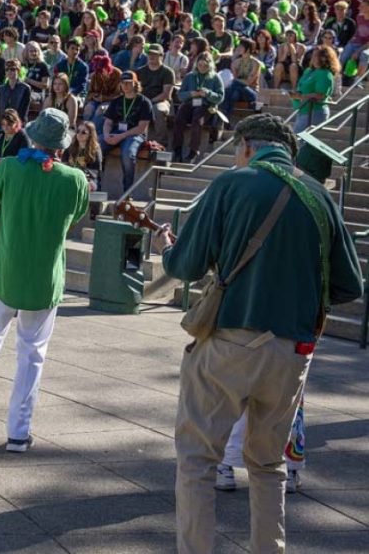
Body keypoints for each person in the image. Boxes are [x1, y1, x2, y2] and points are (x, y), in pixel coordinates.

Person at [154, 114, 361, 553]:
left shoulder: (233, 184)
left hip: (230, 339)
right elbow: (349, 286)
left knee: (197, 461)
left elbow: (184, 266)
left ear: (246, 145)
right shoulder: (321, 197)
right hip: (292, 351)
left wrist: (168, 250)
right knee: (269, 466)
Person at [0, 108, 89, 451]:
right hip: (44, 279)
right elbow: (77, 216)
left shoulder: (9, 167)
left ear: (33, 136)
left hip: (4, 272)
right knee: (32, 356)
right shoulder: (75, 179)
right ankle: (18, 433)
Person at [101, 71, 153, 192]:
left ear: (135, 84)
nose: (125, 86)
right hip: (116, 132)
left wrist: (121, 136)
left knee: (128, 154)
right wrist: (106, 134)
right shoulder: (117, 101)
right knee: (95, 146)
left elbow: (141, 128)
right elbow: (108, 122)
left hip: (135, 135)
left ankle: (127, 191)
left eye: (128, 83)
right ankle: (95, 183)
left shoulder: (145, 102)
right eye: (123, 83)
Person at [172, 53, 224, 163]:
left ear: (209, 66)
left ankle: (193, 150)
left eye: (205, 66)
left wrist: (208, 94)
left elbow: (220, 97)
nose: (202, 68)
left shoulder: (215, 78)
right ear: (197, 65)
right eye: (200, 65)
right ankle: (177, 150)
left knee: (197, 120)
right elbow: (180, 95)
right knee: (178, 119)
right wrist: (190, 94)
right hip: (190, 103)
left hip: (206, 105)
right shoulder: (190, 76)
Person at [292, 45, 338, 133]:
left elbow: (320, 95)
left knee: (298, 141)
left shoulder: (325, 74)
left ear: (325, 58)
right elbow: (301, 86)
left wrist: (301, 96)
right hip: (303, 110)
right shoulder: (309, 71)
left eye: (317, 56)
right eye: (313, 55)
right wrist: (296, 93)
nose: (313, 58)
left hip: (314, 112)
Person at [137, 43, 176, 143]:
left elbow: (166, 94)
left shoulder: (168, 72)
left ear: (161, 56)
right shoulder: (140, 71)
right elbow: (136, 90)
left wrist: (149, 102)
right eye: (149, 54)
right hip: (143, 100)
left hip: (161, 101)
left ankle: (161, 141)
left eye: (155, 54)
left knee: (157, 110)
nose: (151, 56)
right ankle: (136, 140)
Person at [63, 121, 103, 191]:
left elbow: (95, 173)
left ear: (90, 135)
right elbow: (64, 165)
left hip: (88, 179)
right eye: (78, 131)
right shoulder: (70, 147)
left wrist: (81, 167)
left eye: (83, 132)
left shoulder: (95, 150)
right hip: (71, 176)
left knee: (86, 184)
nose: (79, 134)